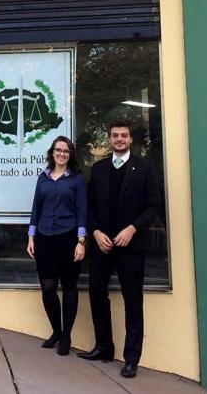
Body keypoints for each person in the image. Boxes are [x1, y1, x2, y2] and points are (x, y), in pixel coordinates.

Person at [77, 119, 162, 378]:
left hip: (131, 246)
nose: (119, 139)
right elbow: (89, 207)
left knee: (132, 300)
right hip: (102, 245)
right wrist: (96, 231)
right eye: (115, 135)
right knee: (96, 292)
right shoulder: (99, 168)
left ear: (130, 139)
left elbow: (153, 206)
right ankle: (103, 347)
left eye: (124, 135)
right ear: (110, 139)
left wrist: (132, 229)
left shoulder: (145, 168)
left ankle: (131, 358)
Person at [26, 136, 87, 356]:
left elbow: (82, 211)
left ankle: (67, 336)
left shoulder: (77, 179)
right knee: (48, 288)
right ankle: (56, 332)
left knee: (69, 287)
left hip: (68, 238)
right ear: (52, 153)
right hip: (44, 238)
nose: (61, 154)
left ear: (70, 155)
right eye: (58, 150)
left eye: (66, 151)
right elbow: (36, 208)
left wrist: (81, 241)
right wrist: (31, 236)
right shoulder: (42, 178)